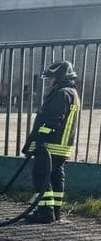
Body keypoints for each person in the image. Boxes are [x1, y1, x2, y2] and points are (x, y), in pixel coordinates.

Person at [21, 60, 81, 224]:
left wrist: (39, 140)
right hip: (62, 147)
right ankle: (55, 211)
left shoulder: (61, 94)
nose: (48, 81)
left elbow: (53, 120)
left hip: (50, 146)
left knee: (41, 176)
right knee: (55, 177)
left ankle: (45, 212)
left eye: (51, 78)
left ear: (60, 78)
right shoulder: (72, 93)